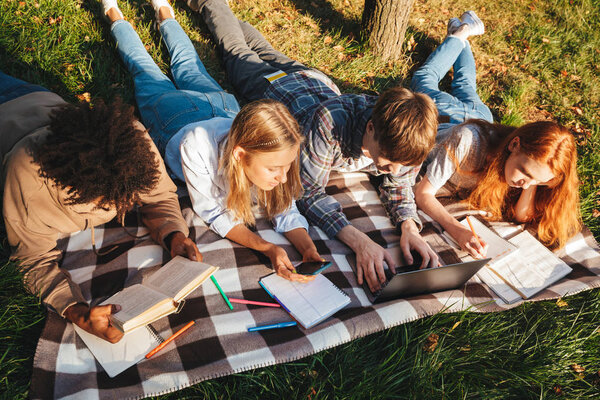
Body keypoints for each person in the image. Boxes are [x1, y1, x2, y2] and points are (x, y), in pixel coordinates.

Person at [190, 0, 441, 293]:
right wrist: (359, 240)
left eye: (403, 165)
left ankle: (233, 20)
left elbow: (398, 184)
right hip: (276, 89)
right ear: (370, 128)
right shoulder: (330, 125)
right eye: (387, 161)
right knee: (237, 52)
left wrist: (409, 226)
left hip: (314, 81)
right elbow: (307, 191)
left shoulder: (405, 140)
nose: (394, 171)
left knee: (266, 50)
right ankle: (211, 4)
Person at [100, 0, 323, 281]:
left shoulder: (263, 148)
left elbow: (284, 208)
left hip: (222, 108)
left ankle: (165, 13)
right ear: (240, 154)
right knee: (145, 69)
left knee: (189, 63)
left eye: (286, 166)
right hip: (175, 117)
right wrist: (267, 248)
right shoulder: (195, 147)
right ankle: (114, 14)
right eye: (274, 169)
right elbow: (216, 214)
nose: (282, 177)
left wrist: (307, 248)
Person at [0, 71, 202, 343]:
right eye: (117, 200)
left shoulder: (132, 145)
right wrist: (77, 311)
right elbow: (31, 258)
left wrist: (173, 234)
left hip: (36, 98)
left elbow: (160, 196)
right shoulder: (28, 181)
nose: (129, 204)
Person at [411, 11, 581, 257]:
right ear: (514, 144)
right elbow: (423, 193)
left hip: (483, 118)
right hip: (449, 117)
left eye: (537, 180)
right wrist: (456, 230)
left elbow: (523, 215)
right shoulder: (467, 143)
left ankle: (463, 39)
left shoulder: (522, 169)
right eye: (525, 173)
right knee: (423, 79)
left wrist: (533, 180)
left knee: (465, 85)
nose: (525, 184)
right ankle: (460, 34)